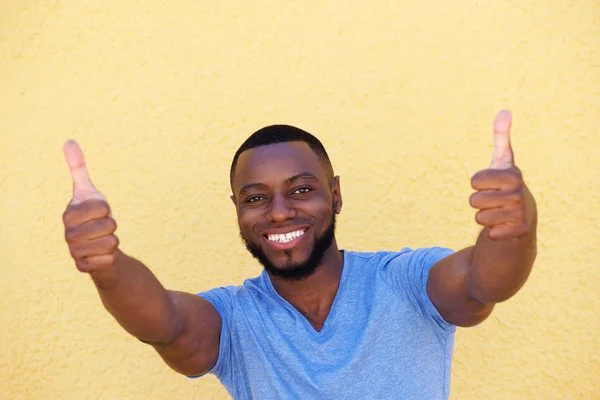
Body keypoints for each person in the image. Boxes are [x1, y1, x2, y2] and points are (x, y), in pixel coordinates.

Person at [62, 110, 537, 399]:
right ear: (237, 212)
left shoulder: (404, 281)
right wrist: (107, 266)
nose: (279, 212)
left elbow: (482, 284)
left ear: (335, 195)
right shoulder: (235, 320)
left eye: (302, 190)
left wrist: (515, 226)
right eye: (255, 198)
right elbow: (165, 323)